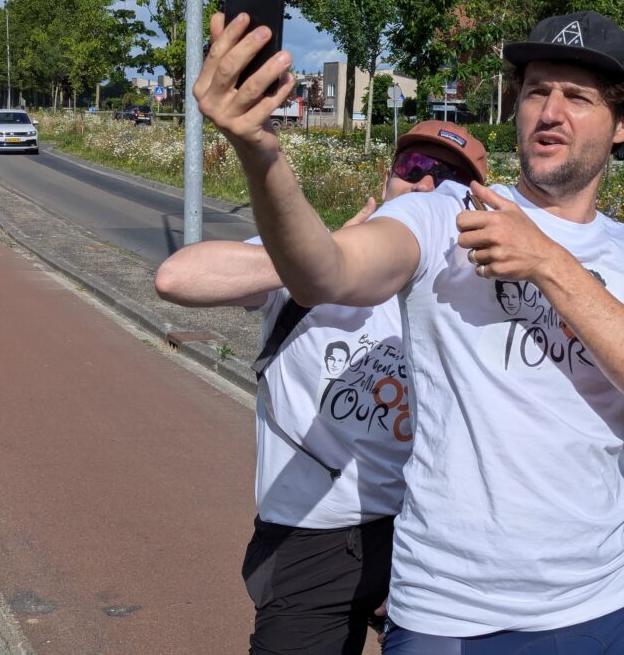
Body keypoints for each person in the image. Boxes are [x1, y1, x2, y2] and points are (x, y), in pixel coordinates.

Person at [194, 8, 624, 653]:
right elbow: (324, 271)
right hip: (455, 613)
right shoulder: (442, 214)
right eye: (536, 92)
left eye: (577, 98)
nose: (550, 113)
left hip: (608, 594)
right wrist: (261, 152)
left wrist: (549, 262)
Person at [154, 120, 488, 655]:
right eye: (414, 168)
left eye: (449, 179)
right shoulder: (305, 259)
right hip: (312, 539)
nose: (426, 184)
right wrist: (313, 263)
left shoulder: (475, 296)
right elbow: (177, 277)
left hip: (426, 536)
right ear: (385, 180)